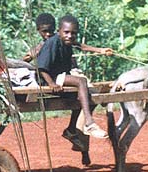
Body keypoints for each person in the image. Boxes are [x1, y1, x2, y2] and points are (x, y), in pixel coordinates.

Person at [36, 15, 113, 163]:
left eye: (73, 33)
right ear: (59, 31)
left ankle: (71, 129)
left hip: (61, 76)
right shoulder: (52, 43)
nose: (70, 36)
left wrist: (100, 50)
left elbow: (81, 46)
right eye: (66, 32)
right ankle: (89, 123)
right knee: (82, 82)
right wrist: (51, 84)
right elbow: (41, 68)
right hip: (49, 79)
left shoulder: (68, 41)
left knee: (88, 97)